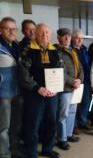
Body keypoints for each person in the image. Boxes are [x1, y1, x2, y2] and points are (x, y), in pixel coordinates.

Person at [19, 23, 62, 158]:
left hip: (52, 95)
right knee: (33, 125)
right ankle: (31, 152)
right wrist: (38, 88)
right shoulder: (28, 50)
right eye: (42, 32)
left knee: (51, 122)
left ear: (51, 35)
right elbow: (23, 73)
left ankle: (47, 149)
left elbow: (61, 69)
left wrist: (56, 88)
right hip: (35, 95)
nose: (45, 35)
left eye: (47, 32)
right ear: (36, 34)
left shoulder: (55, 50)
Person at [55, 28, 84, 150]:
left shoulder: (72, 50)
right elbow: (59, 72)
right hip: (65, 88)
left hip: (75, 87)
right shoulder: (56, 51)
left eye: (68, 36)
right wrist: (73, 81)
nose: (67, 38)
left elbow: (80, 68)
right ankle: (62, 139)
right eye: (64, 36)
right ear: (58, 38)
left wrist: (80, 80)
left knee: (72, 112)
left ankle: (68, 134)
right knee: (63, 114)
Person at [0, 17, 19, 158]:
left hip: (17, 92)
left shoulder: (17, 46)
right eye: (8, 29)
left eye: (14, 29)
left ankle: (14, 151)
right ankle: (4, 154)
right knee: (3, 127)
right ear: (1, 30)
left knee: (15, 125)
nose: (12, 31)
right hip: (3, 94)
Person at [71, 29, 93, 134]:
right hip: (76, 81)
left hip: (86, 80)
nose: (79, 40)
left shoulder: (85, 49)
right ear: (72, 38)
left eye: (81, 38)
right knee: (75, 103)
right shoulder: (70, 49)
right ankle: (74, 125)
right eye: (77, 38)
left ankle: (82, 122)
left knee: (86, 102)